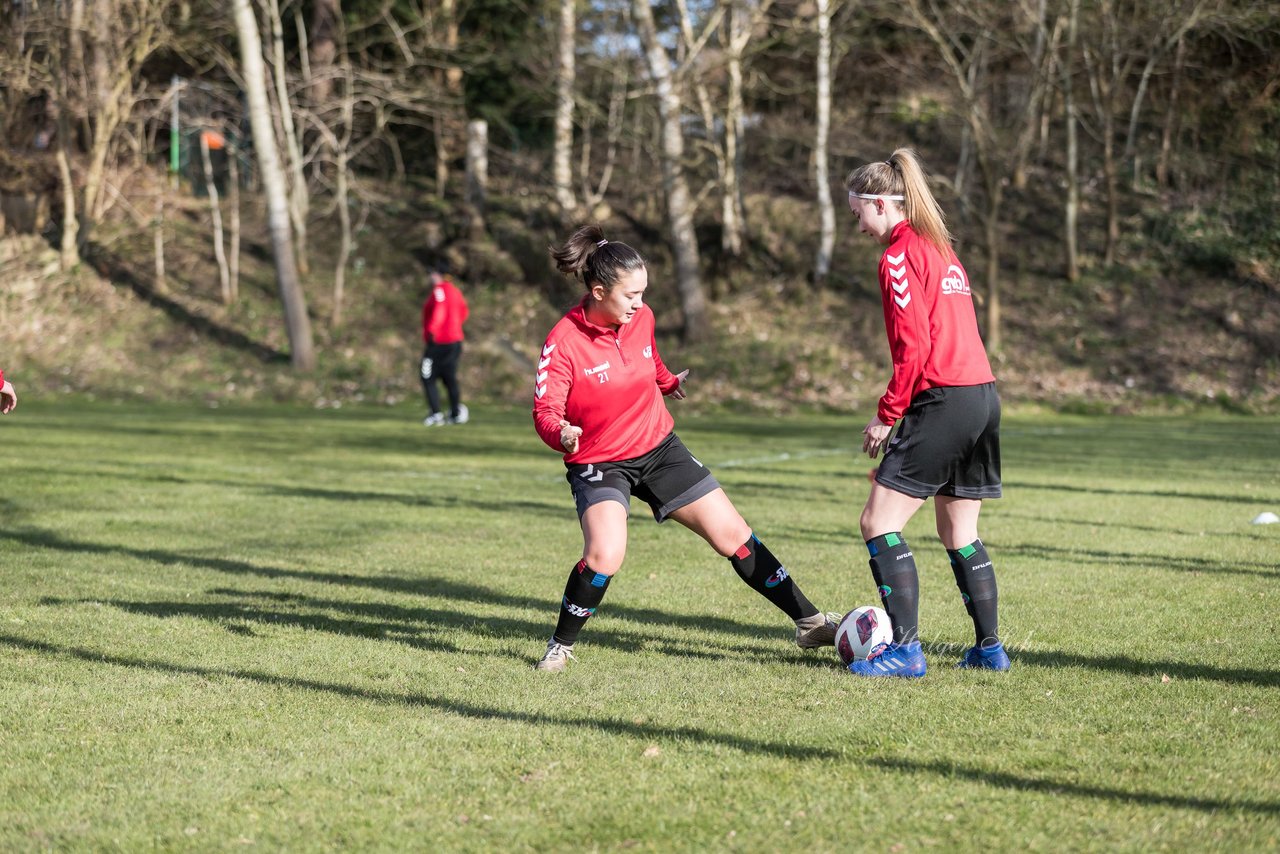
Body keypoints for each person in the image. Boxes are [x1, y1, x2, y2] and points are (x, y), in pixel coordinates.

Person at [529, 224, 839, 672]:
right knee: (605, 555)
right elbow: (545, 410)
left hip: (658, 448)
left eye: (643, 293)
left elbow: (648, 358)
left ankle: (809, 623)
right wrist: (561, 432)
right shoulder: (563, 343)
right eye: (630, 295)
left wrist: (667, 380)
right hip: (600, 461)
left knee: (734, 536)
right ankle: (561, 644)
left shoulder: (641, 319)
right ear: (598, 292)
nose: (640, 304)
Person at [843, 148, 1009, 678]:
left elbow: (913, 347)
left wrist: (887, 414)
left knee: (878, 521)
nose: (859, 227)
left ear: (878, 204)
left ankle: (907, 651)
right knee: (959, 532)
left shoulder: (898, 256)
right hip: (981, 396)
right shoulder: (941, 249)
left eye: (858, 214)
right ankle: (989, 649)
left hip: (943, 398)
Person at [419, 264, 469, 426]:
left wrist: (433, 330)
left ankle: (436, 413)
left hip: (438, 342)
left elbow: (439, 309)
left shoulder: (439, 290)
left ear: (438, 275)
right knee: (449, 378)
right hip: (455, 342)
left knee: (427, 376)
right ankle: (455, 413)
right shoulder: (455, 291)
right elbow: (464, 312)